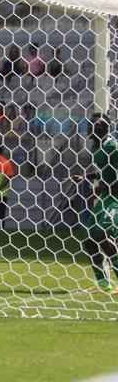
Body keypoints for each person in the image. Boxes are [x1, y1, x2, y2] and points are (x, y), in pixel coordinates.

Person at [84, 119, 118, 292]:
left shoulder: (113, 147)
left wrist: (100, 188)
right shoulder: (100, 149)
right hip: (106, 196)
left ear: (103, 130)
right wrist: (86, 178)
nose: (92, 138)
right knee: (90, 239)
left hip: (115, 197)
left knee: (102, 233)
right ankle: (103, 282)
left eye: (95, 133)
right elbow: (105, 171)